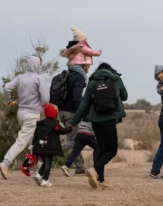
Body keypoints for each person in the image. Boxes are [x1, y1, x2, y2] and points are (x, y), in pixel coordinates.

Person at [70, 62, 128, 190]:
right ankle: (95, 170)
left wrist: (74, 122)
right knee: (112, 150)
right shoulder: (115, 79)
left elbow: (84, 104)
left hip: (95, 121)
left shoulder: (92, 82)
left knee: (102, 149)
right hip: (109, 120)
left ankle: (100, 180)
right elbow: (125, 96)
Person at [0, 56, 50, 179]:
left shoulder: (20, 78)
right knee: (22, 141)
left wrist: (8, 100)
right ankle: (5, 163)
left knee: (32, 140)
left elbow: (6, 88)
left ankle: (35, 165)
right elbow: (46, 99)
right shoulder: (38, 79)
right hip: (32, 114)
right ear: (37, 65)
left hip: (21, 112)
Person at [57, 42, 90, 175]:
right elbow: (77, 97)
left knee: (74, 139)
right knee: (73, 140)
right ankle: (46, 152)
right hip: (71, 112)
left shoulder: (67, 73)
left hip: (61, 110)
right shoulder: (79, 77)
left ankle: (80, 166)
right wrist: (83, 111)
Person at [31, 104, 73, 187]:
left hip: (40, 147)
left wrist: (33, 145)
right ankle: (45, 180)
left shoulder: (40, 124)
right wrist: (71, 128)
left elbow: (36, 135)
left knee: (45, 162)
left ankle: (39, 175)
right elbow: (62, 130)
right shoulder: (54, 124)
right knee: (48, 164)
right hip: (49, 148)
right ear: (54, 113)